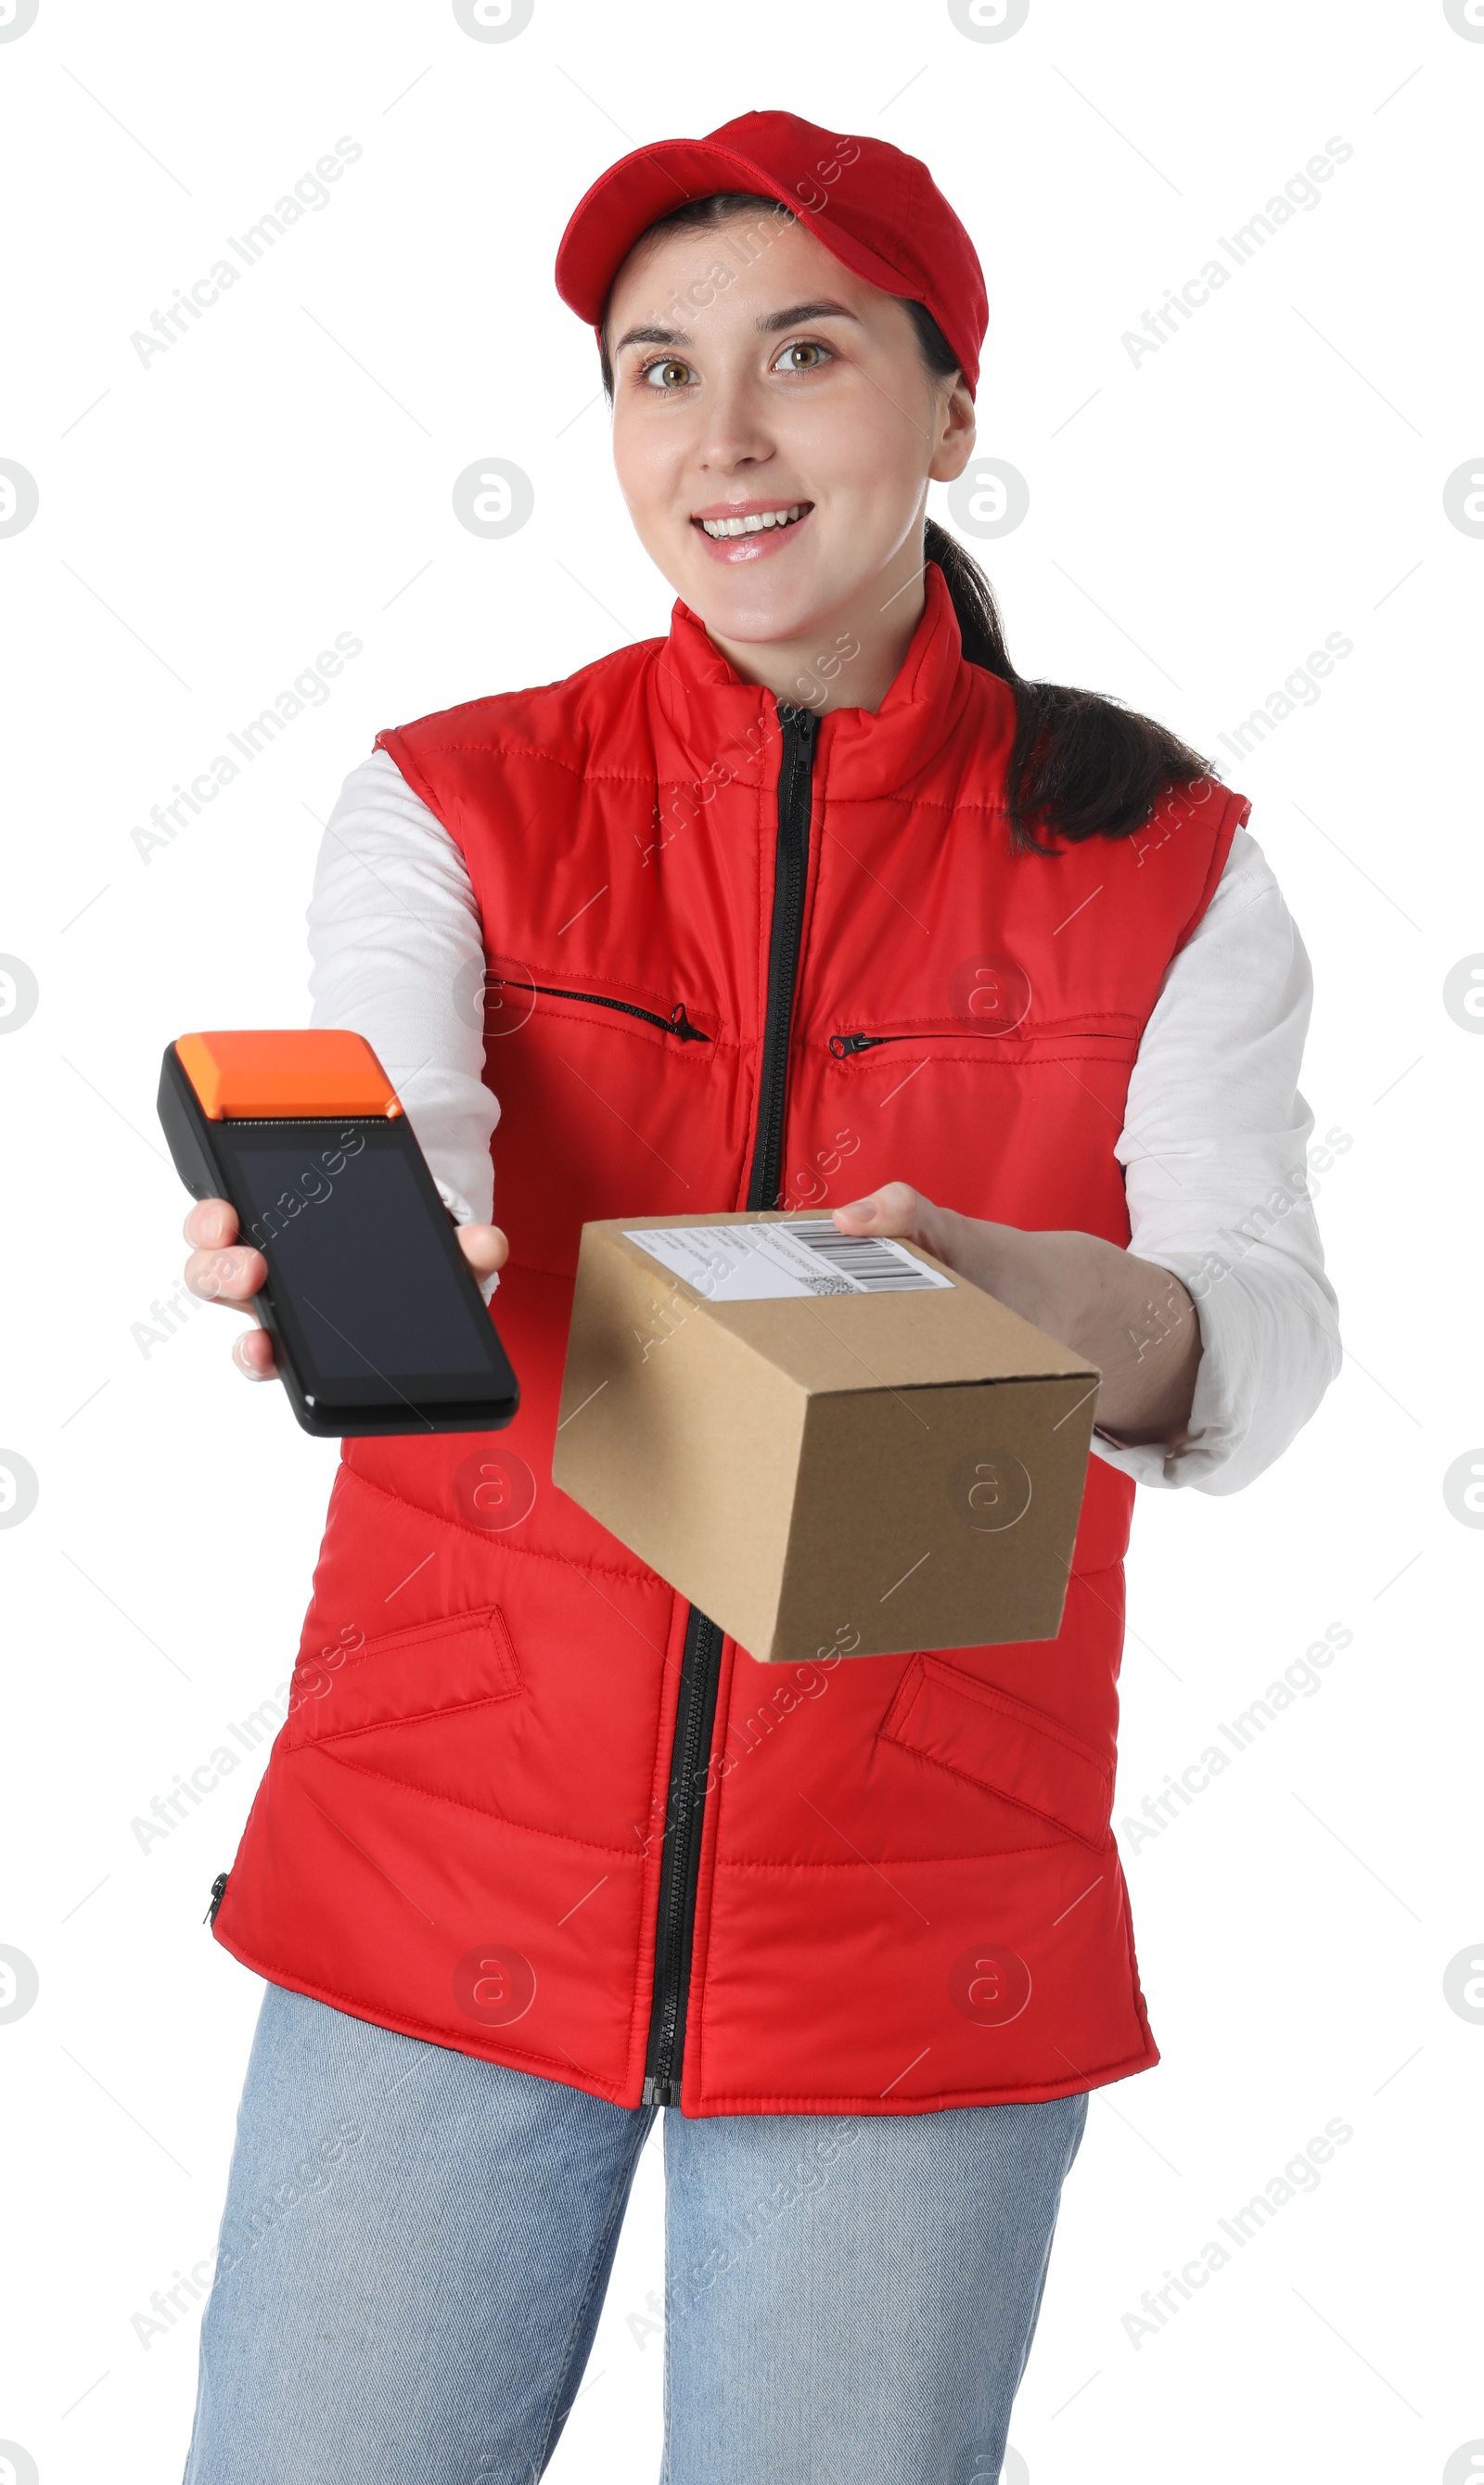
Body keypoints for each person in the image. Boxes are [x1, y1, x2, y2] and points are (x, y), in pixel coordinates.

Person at [175, 111, 1339, 2485]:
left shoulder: (1166, 862)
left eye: (800, 357)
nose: (717, 441)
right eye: (649, 370)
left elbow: (1261, 1328)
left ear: (947, 408)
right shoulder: (451, 798)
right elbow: (407, 1106)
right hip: (435, 1878)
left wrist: (1027, 1290)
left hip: (919, 1929)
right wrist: (367, 1234)